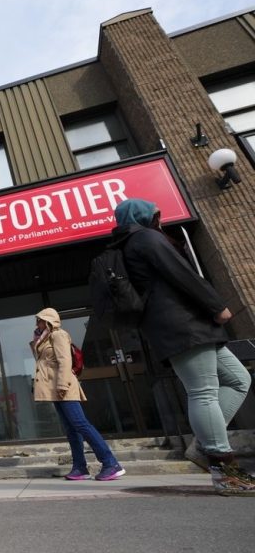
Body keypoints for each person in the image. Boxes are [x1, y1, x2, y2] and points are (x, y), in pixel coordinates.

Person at [112, 198, 254, 495]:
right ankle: (225, 471)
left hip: (189, 328)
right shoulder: (145, 238)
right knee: (203, 391)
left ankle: (205, 446)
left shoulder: (131, 244)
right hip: (183, 326)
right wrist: (217, 305)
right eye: (155, 215)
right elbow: (182, 274)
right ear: (144, 218)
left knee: (238, 379)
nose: (159, 220)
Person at [32, 308, 125, 481]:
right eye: (36, 321)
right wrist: (37, 341)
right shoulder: (43, 339)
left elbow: (64, 360)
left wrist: (62, 384)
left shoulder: (58, 335)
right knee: (71, 430)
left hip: (64, 387)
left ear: (48, 320)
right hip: (55, 389)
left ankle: (110, 463)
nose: (37, 323)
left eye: (39, 320)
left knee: (80, 424)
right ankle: (80, 468)